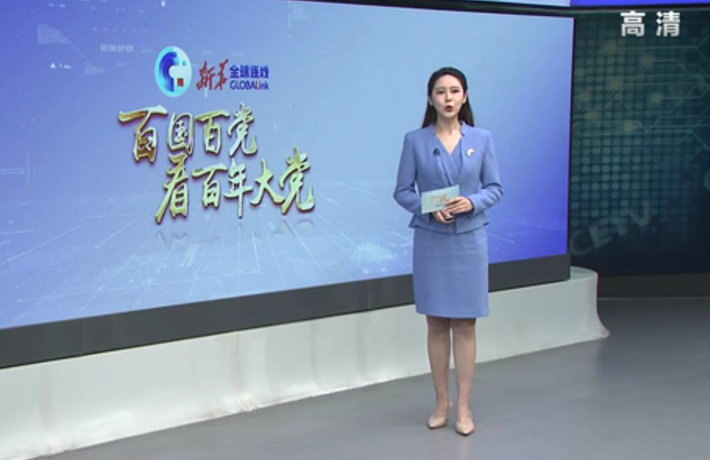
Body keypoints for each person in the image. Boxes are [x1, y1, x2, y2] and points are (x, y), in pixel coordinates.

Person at [393, 67, 503, 436]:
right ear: (430, 98)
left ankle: (465, 407)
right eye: (441, 92)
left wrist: (471, 202)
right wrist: (428, 207)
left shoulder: (482, 139)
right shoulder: (415, 141)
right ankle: (442, 402)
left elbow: (495, 188)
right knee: (437, 322)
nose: (448, 98)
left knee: (465, 324)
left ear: (465, 96)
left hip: (469, 241)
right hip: (432, 241)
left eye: (454, 91)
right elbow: (402, 191)